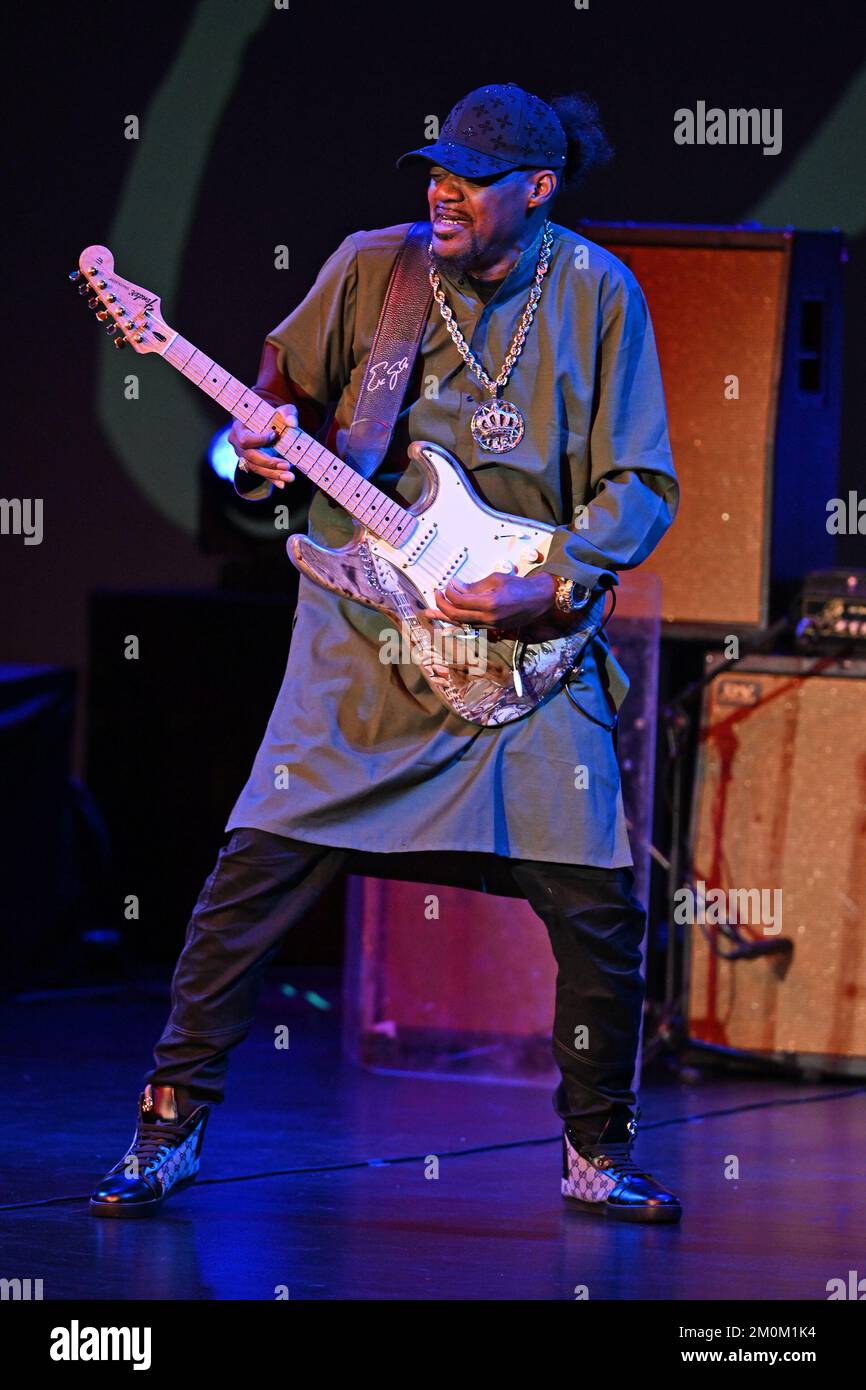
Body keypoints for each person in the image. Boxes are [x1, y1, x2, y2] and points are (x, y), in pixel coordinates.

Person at [90, 83, 682, 1223]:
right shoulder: (375, 267)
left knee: (598, 903)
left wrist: (550, 584)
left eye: (467, 176)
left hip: (520, 640)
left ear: (537, 190)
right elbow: (263, 414)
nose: (439, 191)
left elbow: (639, 484)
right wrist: (250, 455)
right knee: (246, 884)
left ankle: (594, 1152)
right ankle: (167, 1124)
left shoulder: (600, 292)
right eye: (434, 169)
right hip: (362, 637)